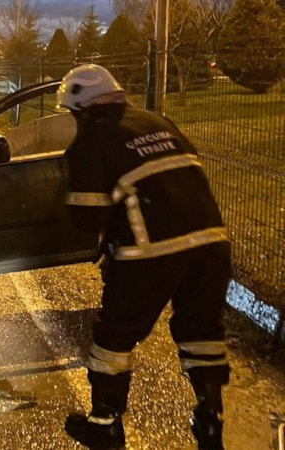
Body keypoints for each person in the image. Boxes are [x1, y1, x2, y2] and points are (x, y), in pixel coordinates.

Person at [58, 64, 231, 450]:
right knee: (202, 334)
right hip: (212, 243)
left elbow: (88, 216)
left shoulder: (92, 138)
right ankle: (210, 423)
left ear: (81, 107)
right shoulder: (160, 122)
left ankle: (104, 423)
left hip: (149, 252)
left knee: (114, 338)